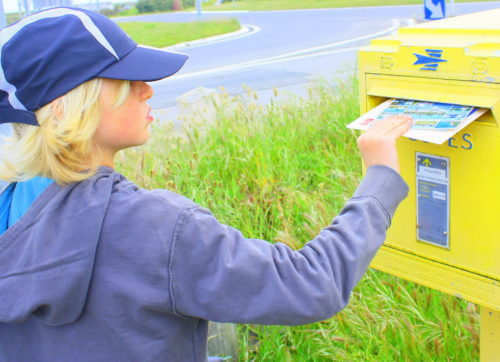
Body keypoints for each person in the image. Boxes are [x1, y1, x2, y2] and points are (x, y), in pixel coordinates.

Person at [0, 7, 412, 362]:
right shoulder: (155, 227)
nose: (147, 90)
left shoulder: (11, 209)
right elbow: (310, 284)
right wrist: (380, 180)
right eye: (127, 80)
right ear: (71, 106)